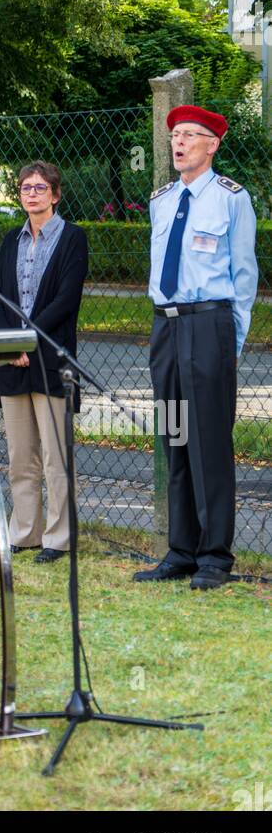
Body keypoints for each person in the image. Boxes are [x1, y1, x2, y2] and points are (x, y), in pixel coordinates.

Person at [134, 104, 257, 591]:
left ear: (213, 145)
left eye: (189, 135)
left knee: (208, 441)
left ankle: (214, 556)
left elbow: (244, 278)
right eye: (175, 135)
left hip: (209, 328)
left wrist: (232, 343)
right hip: (166, 330)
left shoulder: (231, 198)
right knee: (176, 438)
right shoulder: (161, 200)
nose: (178, 142)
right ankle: (181, 549)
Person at [0, 161, 89, 565]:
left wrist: (28, 337)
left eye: (40, 188)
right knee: (20, 455)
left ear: (55, 194)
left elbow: (66, 299)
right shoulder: (10, 240)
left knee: (55, 456)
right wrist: (10, 342)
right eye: (26, 188)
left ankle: (58, 537)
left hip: (51, 358)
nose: (32, 194)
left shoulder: (72, 239)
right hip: (13, 360)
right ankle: (24, 532)